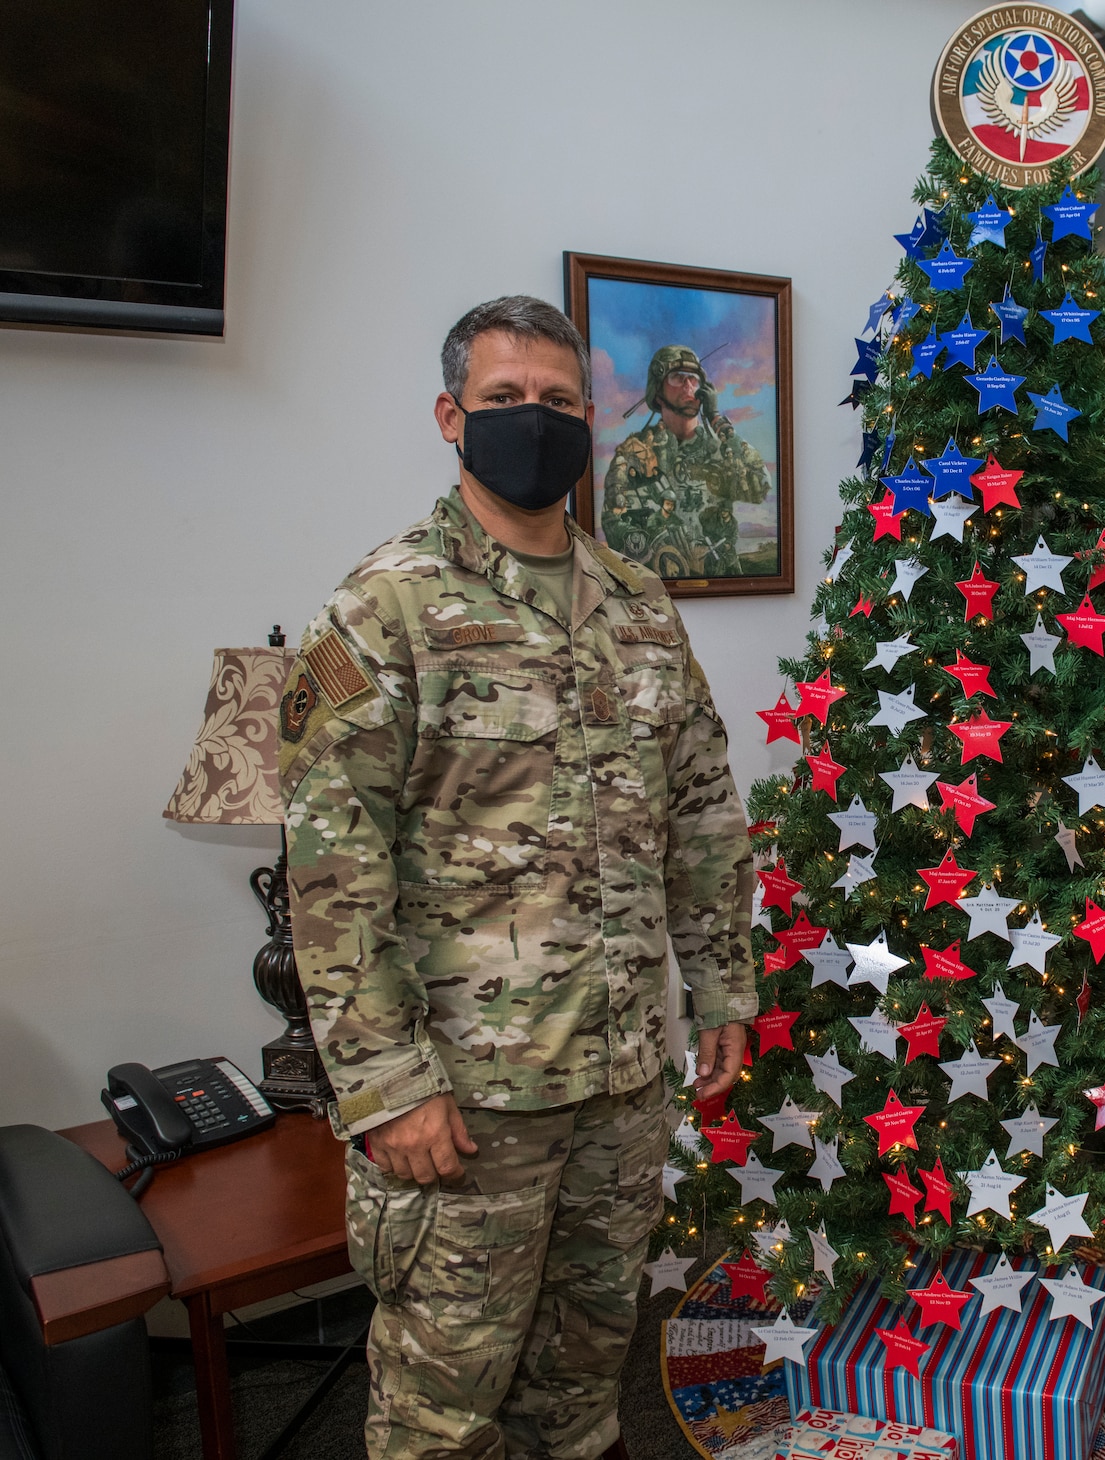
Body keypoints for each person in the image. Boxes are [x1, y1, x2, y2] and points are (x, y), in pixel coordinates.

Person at [279, 296, 755, 1460]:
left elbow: (698, 812)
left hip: (621, 1072)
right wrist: (386, 1085)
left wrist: (725, 990)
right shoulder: (382, 604)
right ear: (451, 417)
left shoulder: (641, 605)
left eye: (556, 402)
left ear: (589, 421)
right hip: (467, 1097)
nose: (531, 421)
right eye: (503, 400)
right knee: (444, 1403)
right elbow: (333, 868)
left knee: (584, 1379)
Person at [600, 344, 771, 580]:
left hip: (723, 588)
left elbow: (760, 486)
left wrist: (716, 420)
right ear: (657, 391)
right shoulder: (635, 453)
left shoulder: (720, 449)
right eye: (677, 378)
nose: (689, 386)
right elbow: (613, 520)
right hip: (657, 592)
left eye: (694, 379)